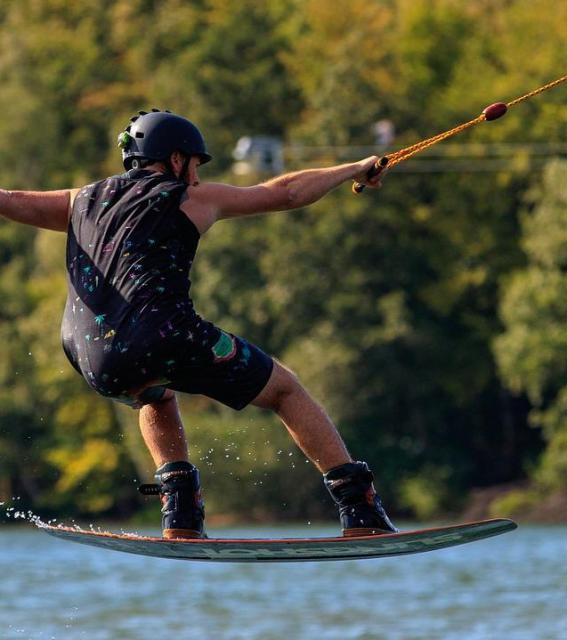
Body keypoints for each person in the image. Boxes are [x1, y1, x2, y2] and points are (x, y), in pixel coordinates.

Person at [0, 109, 397, 539]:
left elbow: (8, 201)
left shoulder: (80, 200)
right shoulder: (186, 197)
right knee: (284, 389)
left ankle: (181, 517)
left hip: (91, 357)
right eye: (194, 164)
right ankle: (360, 511)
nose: (195, 176)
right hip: (164, 336)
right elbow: (285, 193)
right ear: (175, 159)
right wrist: (354, 168)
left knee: (154, 394)